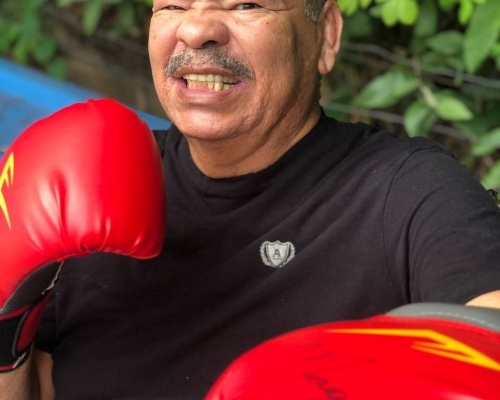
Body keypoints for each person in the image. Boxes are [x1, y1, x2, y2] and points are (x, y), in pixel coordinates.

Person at [1, 0, 500, 398]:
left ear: (326, 34)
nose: (197, 29)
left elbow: (490, 330)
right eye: (173, 5)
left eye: (246, 4)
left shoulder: (406, 189)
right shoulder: (95, 174)